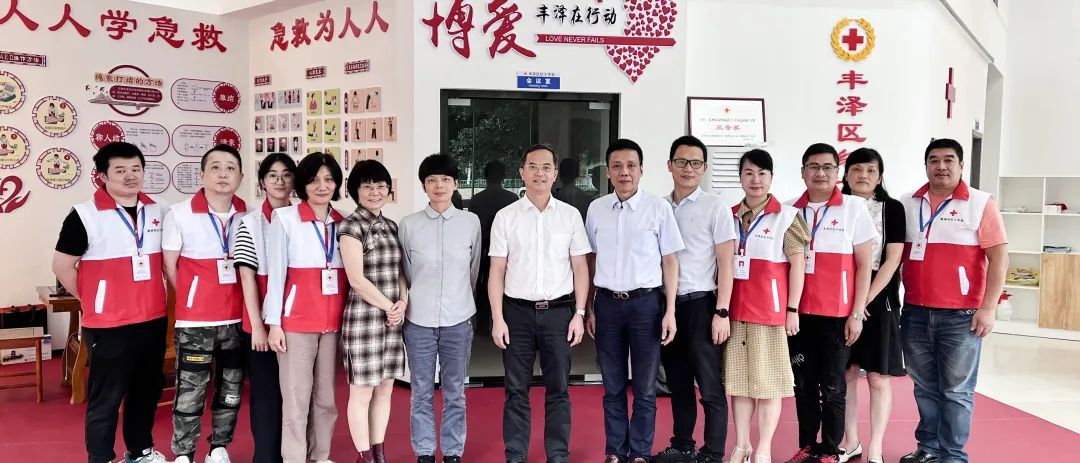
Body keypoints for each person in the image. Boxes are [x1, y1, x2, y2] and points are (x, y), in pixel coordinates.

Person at [52, 142, 169, 463]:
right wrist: (93, 299)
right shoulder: (84, 215)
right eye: (120, 170)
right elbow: (62, 266)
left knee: (145, 391)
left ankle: (140, 451)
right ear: (102, 176)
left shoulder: (159, 210)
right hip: (108, 325)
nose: (130, 176)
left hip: (153, 319)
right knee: (106, 397)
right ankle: (101, 457)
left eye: (136, 169)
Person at [898, 139, 1007, 463]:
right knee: (924, 387)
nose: (941, 166)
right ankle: (929, 448)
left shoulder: (980, 203)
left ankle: (953, 456)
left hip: (962, 316)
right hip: (915, 312)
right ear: (926, 166)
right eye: (934, 160)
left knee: (956, 391)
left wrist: (988, 308)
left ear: (961, 166)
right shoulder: (908, 203)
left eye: (948, 160)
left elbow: (999, 259)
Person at [488, 144, 591, 463]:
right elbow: (497, 270)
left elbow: (580, 267)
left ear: (555, 174)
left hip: (559, 314)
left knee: (559, 389)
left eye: (546, 167)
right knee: (515, 390)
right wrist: (497, 318)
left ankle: (557, 455)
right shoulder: (506, 217)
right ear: (522, 172)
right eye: (532, 167)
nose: (539, 173)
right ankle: (515, 455)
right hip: (515, 314)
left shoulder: (570, 216)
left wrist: (579, 313)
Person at [585, 138, 684, 463]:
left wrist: (670, 311)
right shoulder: (597, 209)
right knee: (612, 385)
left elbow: (670, 261)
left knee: (644, 387)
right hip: (607, 305)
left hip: (646, 306)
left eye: (630, 166)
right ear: (608, 172)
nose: (624, 172)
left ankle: (640, 452)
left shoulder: (658, 208)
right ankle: (615, 451)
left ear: (641, 170)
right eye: (617, 166)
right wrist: (589, 308)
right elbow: (590, 260)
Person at [784, 143, 874, 463]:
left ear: (837, 173)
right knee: (803, 385)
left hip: (836, 315)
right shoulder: (788, 210)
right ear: (803, 172)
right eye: (814, 166)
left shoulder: (854, 207)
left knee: (834, 386)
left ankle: (832, 449)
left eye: (827, 167)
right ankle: (808, 445)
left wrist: (857, 313)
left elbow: (864, 265)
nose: (820, 173)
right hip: (798, 315)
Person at [162, 144, 248, 463]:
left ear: (241, 176)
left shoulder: (249, 214)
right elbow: (170, 266)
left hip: (237, 320)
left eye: (230, 168)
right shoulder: (179, 213)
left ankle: (219, 447)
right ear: (202, 175)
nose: (223, 174)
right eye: (215, 167)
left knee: (231, 388)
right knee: (190, 390)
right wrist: (193, 295)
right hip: (196, 321)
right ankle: (184, 453)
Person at [653, 135, 736, 463]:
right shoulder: (658, 206)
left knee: (710, 385)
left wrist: (722, 311)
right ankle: (683, 445)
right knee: (678, 382)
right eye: (681, 162)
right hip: (666, 307)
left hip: (702, 306)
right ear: (669, 165)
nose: (688, 169)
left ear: (704, 168)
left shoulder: (715, 207)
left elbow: (726, 262)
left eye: (696, 163)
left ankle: (713, 452)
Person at [263, 153, 348, 463]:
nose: (322, 186)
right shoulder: (285, 219)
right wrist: (274, 323)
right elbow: (276, 275)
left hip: (334, 325)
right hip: (296, 325)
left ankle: (321, 456)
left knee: (326, 400)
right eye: (313, 180)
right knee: (296, 401)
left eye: (328, 179)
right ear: (302, 184)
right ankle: (295, 458)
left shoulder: (344, 222)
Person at [726, 149, 808, 463]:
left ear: (771, 177)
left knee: (770, 384)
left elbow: (798, 265)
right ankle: (742, 445)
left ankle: (763, 449)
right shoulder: (729, 215)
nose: (755, 180)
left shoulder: (786, 216)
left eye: (762, 173)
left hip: (770, 313)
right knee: (740, 383)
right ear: (740, 178)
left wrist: (792, 309)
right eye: (748, 173)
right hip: (735, 312)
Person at [399, 154, 482, 463]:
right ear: (424, 185)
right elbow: (407, 271)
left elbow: (473, 270)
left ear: (456, 184)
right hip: (418, 320)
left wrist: (460, 299)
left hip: (458, 319)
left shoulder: (471, 222)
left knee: (454, 391)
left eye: (445, 179)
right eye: (432, 180)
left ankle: (452, 451)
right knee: (421, 391)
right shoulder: (409, 225)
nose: (439, 185)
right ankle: (424, 451)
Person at [838, 149, 907, 463]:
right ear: (846, 174)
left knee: (878, 377)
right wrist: (852, 303)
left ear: (879, 177)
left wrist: (862, 300)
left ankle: (876, 447)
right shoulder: (836, 206)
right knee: (847, 373)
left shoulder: (892, 209)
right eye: (856, 169)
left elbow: (893, 260)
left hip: (879, 299)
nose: (863, 175)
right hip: (840, 296)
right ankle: (850, 441)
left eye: (870, 170)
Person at [338, 160, 408, 463]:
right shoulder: (351, 226)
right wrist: (388, 306)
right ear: (355, 190)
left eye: (381, 186)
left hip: (391, 320)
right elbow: (356, 279)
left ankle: (379, 453)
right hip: (363, 320)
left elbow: (401, 272)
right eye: (367, 186)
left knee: (384, 389)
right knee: (362, 392)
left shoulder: (392, 226)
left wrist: (402, 302)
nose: (375, 192)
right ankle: (364, 456)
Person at [233, 153, 297, 463]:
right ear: (262, 182)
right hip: (260, 324)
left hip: (296, 322)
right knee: (267, 394)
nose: (280, 181)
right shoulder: (250, 222)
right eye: (273, 175)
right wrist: (258, 327)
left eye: (286, 174)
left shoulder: (302, 217)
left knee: (295, 395)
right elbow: (247, 278)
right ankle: (267, 457)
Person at [469, 160, 520, 333]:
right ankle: (505, 322)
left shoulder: (477, 199)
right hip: (509, 250)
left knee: (482, 285)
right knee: (507, 284)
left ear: (485, 176)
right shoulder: (512, 199)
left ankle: (483, 326)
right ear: (503, 176)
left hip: (483, 247)